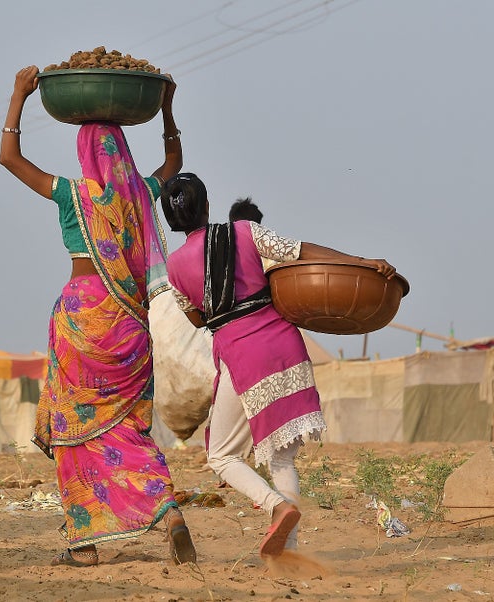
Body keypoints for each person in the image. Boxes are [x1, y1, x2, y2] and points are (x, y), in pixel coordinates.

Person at [0, 66, 196, 567]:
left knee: (72, 425)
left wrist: (18, 97)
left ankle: (83, 544)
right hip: (129, 322)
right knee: (128, 425)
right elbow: (173, 162)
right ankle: (168, 509)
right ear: (123, 155)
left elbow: (9, 158)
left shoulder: (72, 194)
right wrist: (168, 110)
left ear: (83, 154)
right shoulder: (140, 194)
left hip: (81, 317)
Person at [160, 172, 396, 558]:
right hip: (286, 347)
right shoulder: (247, 233)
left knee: (222, 455)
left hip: (243, 357)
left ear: (172, 221)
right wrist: (361, 262)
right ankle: (288, 552)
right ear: (206, 205)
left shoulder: (175, 266)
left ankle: (276, 506)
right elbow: (302, 252)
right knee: (282, 456)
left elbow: (198, 319)